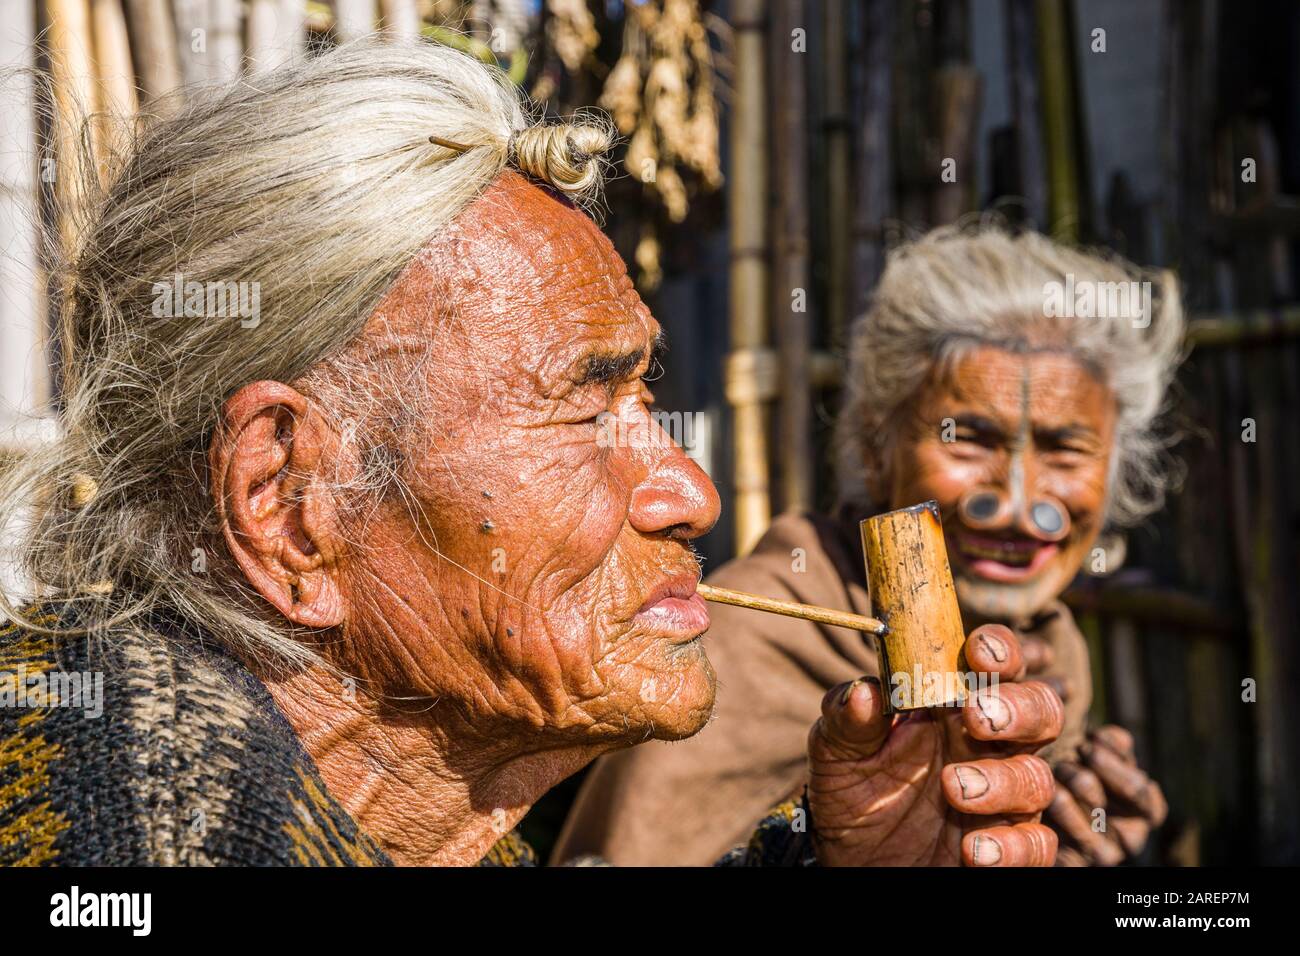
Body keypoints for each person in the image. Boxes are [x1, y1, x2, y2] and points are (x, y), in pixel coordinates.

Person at [0, 42, 1060, 867]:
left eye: (645, 398)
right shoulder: (120, 819)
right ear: (289, 501)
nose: (690, 492)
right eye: (583, 408)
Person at [556, 225, 1176, 866]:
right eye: (969, 439)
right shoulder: (745, 644)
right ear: (877, 449)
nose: (1019, 506)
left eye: (1065, 449)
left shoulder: (1052, 648)